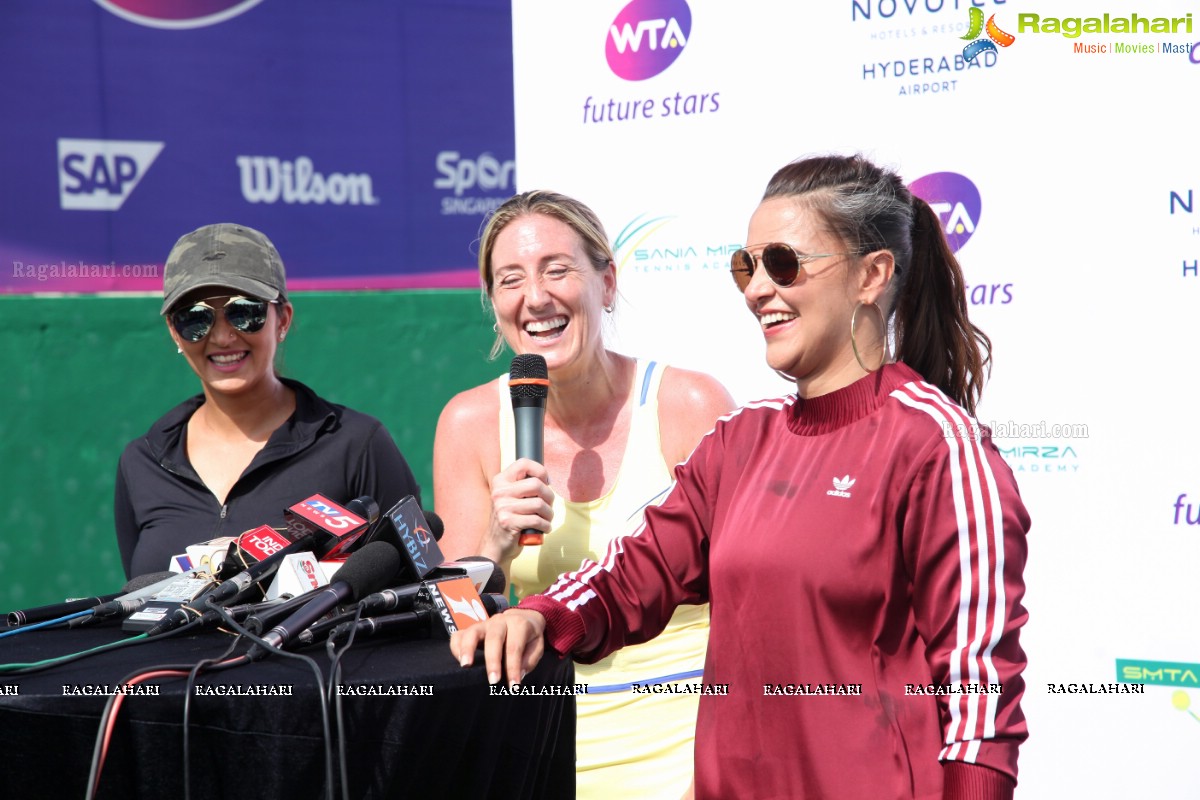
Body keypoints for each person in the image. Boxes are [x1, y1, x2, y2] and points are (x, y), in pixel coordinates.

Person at [451, 156, 1031, 800]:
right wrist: (541, 617)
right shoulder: (741, 440)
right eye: (746, 267)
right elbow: (629, 574)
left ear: (872, 275)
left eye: (784, 264)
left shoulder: (936, 444)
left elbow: (981, 696)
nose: (757, 289)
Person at [433, 190, 735, 799]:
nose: (536, 297)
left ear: (606, 282)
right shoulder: (469, 422)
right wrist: (493, 544)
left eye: (557, 270)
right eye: (510, 279)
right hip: (546, 729)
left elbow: (749, 585)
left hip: (693, 727)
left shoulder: (689, 405)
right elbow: (458, 624)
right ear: (493, 305)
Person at [115, 223, 420, 578]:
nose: (223, 335)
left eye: (245, 312)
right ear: (174, 331)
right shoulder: (143, 462)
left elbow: (415, 587)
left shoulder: (357, 445)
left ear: (283, 319)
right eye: (194, 318)